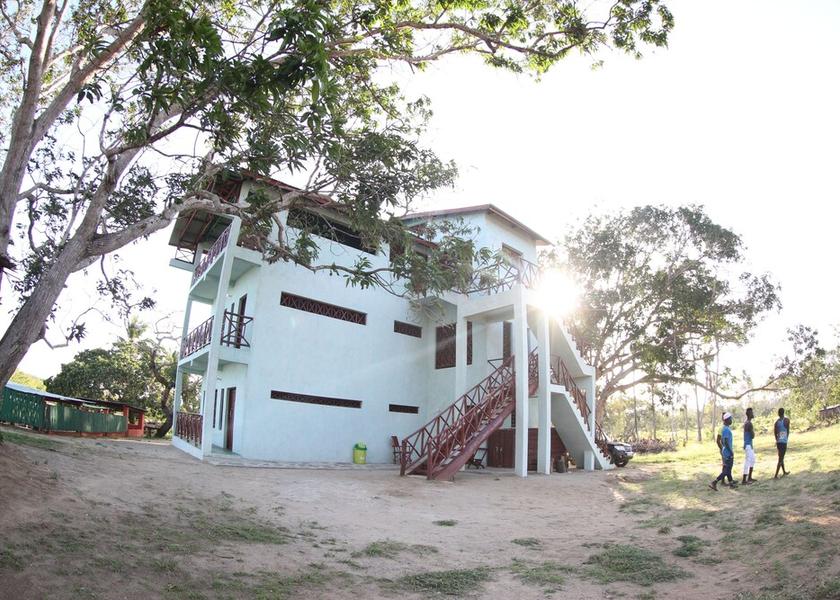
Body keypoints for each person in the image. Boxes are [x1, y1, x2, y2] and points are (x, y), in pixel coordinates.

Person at [710, 412, 737, 490]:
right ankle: (714, 482)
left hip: (726, 451)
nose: (731, 420)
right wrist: (730, 451)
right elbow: (725, 441)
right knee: (727, 470)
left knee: (728, 469)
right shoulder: (725, 429)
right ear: (727, 420)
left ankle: (731, 484)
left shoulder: (726, 428)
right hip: (728, 452)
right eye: (730, 419)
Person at [774, 407, 791, 478]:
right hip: (783, 442)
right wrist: (786, 438)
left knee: (781, 457)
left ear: (778, 413)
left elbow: (775, 433)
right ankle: (775, 475)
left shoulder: (776, 422)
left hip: (779, 442)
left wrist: (777, 439)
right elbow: (788, 430)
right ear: (783, 413)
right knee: (780, 458)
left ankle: (784, 472)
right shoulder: (787, 420)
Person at [742, 407, 757, 484]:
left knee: (752, 460)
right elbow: (753, 436)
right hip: (748, 445)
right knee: (748, 461)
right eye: (752, 413)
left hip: (749, 445)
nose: (753, 414)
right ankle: (744, 480)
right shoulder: (749, 423)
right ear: (749, 414)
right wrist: (753, 432)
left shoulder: (747, 422)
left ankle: (749, 477)